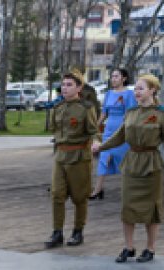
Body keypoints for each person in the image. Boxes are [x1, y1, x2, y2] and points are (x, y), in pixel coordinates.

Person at [93, 74, 164, 263]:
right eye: (136, 89)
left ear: (152, 90)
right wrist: (101, 146)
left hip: (151, 164)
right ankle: (129, 247)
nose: (137, 92)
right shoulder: (131, 112)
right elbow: (120, 136)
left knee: (151, 209)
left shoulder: (162, 114)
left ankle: (150, 248)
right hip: (132, 162)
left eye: (141, 88)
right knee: (128, 207)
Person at [45, 69, 98, 248]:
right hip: (60, 156)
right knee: (56, 195)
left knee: (79, 197)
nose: (65, 88)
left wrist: (96, 143)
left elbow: (93, 130)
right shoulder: (57, 107)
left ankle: (78, 231)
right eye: (63, 85)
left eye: (69, 85)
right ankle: (57, 232)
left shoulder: (86, 108)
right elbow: (54, 129)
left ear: (79, 88)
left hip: (79, 157)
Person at [91, 67, 135, 200]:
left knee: (122, 160)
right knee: (103, 159)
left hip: (122, 132)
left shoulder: (129, 94)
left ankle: (128, 190)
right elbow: (104, 112)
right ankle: (98, 190)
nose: (113, 79)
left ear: (124, 78)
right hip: (108, 132)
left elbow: (131, 114)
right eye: (112, 76)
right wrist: (95, 126)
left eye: (116, 76)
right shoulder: (109, 93)